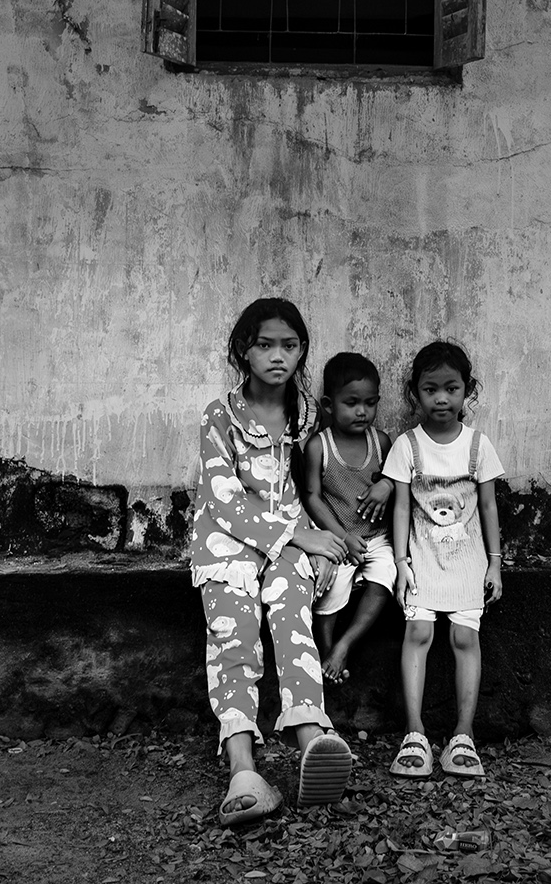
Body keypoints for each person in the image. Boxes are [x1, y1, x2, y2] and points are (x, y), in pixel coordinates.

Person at [190, 297, 353, 825]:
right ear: (244, 350)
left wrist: (318, 542)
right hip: (228, 543)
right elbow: (224, 499)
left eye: (289, 345)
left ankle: (311, 737)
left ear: (302, 351)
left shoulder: (305, 415)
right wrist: (298, 537)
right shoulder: (220, 416)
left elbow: (305, 487)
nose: (277, 356)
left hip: (289, 541)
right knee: (233, 635)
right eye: (265, 345)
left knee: (292, 618)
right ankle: (243, 769)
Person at [385, 340, 505, 779]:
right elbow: (401, 507)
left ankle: (463, 735)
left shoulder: (478, 445)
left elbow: (489, 506)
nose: (441, 399)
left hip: (467, 559)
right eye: (430, 389)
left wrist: (495, 563)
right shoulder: (407, 446)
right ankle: (414, 733)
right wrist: (401, 564)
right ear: (415, 393)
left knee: (464, 638)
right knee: (418, 632)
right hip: (422, 557)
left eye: (451, 389)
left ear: (466, 391)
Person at [300, 352, 397, 686]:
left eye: (370, 403)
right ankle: (327, 649)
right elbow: (311, 497)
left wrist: (387, 484)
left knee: (385, 577)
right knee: (331, 590)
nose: (362, 412)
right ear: (329, 405)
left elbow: (398, 479)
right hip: (338, 537)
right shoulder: (319, 446)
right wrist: (341, 536)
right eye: (352, 403)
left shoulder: (381, 442)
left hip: (377, 537)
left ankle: (345, 645)